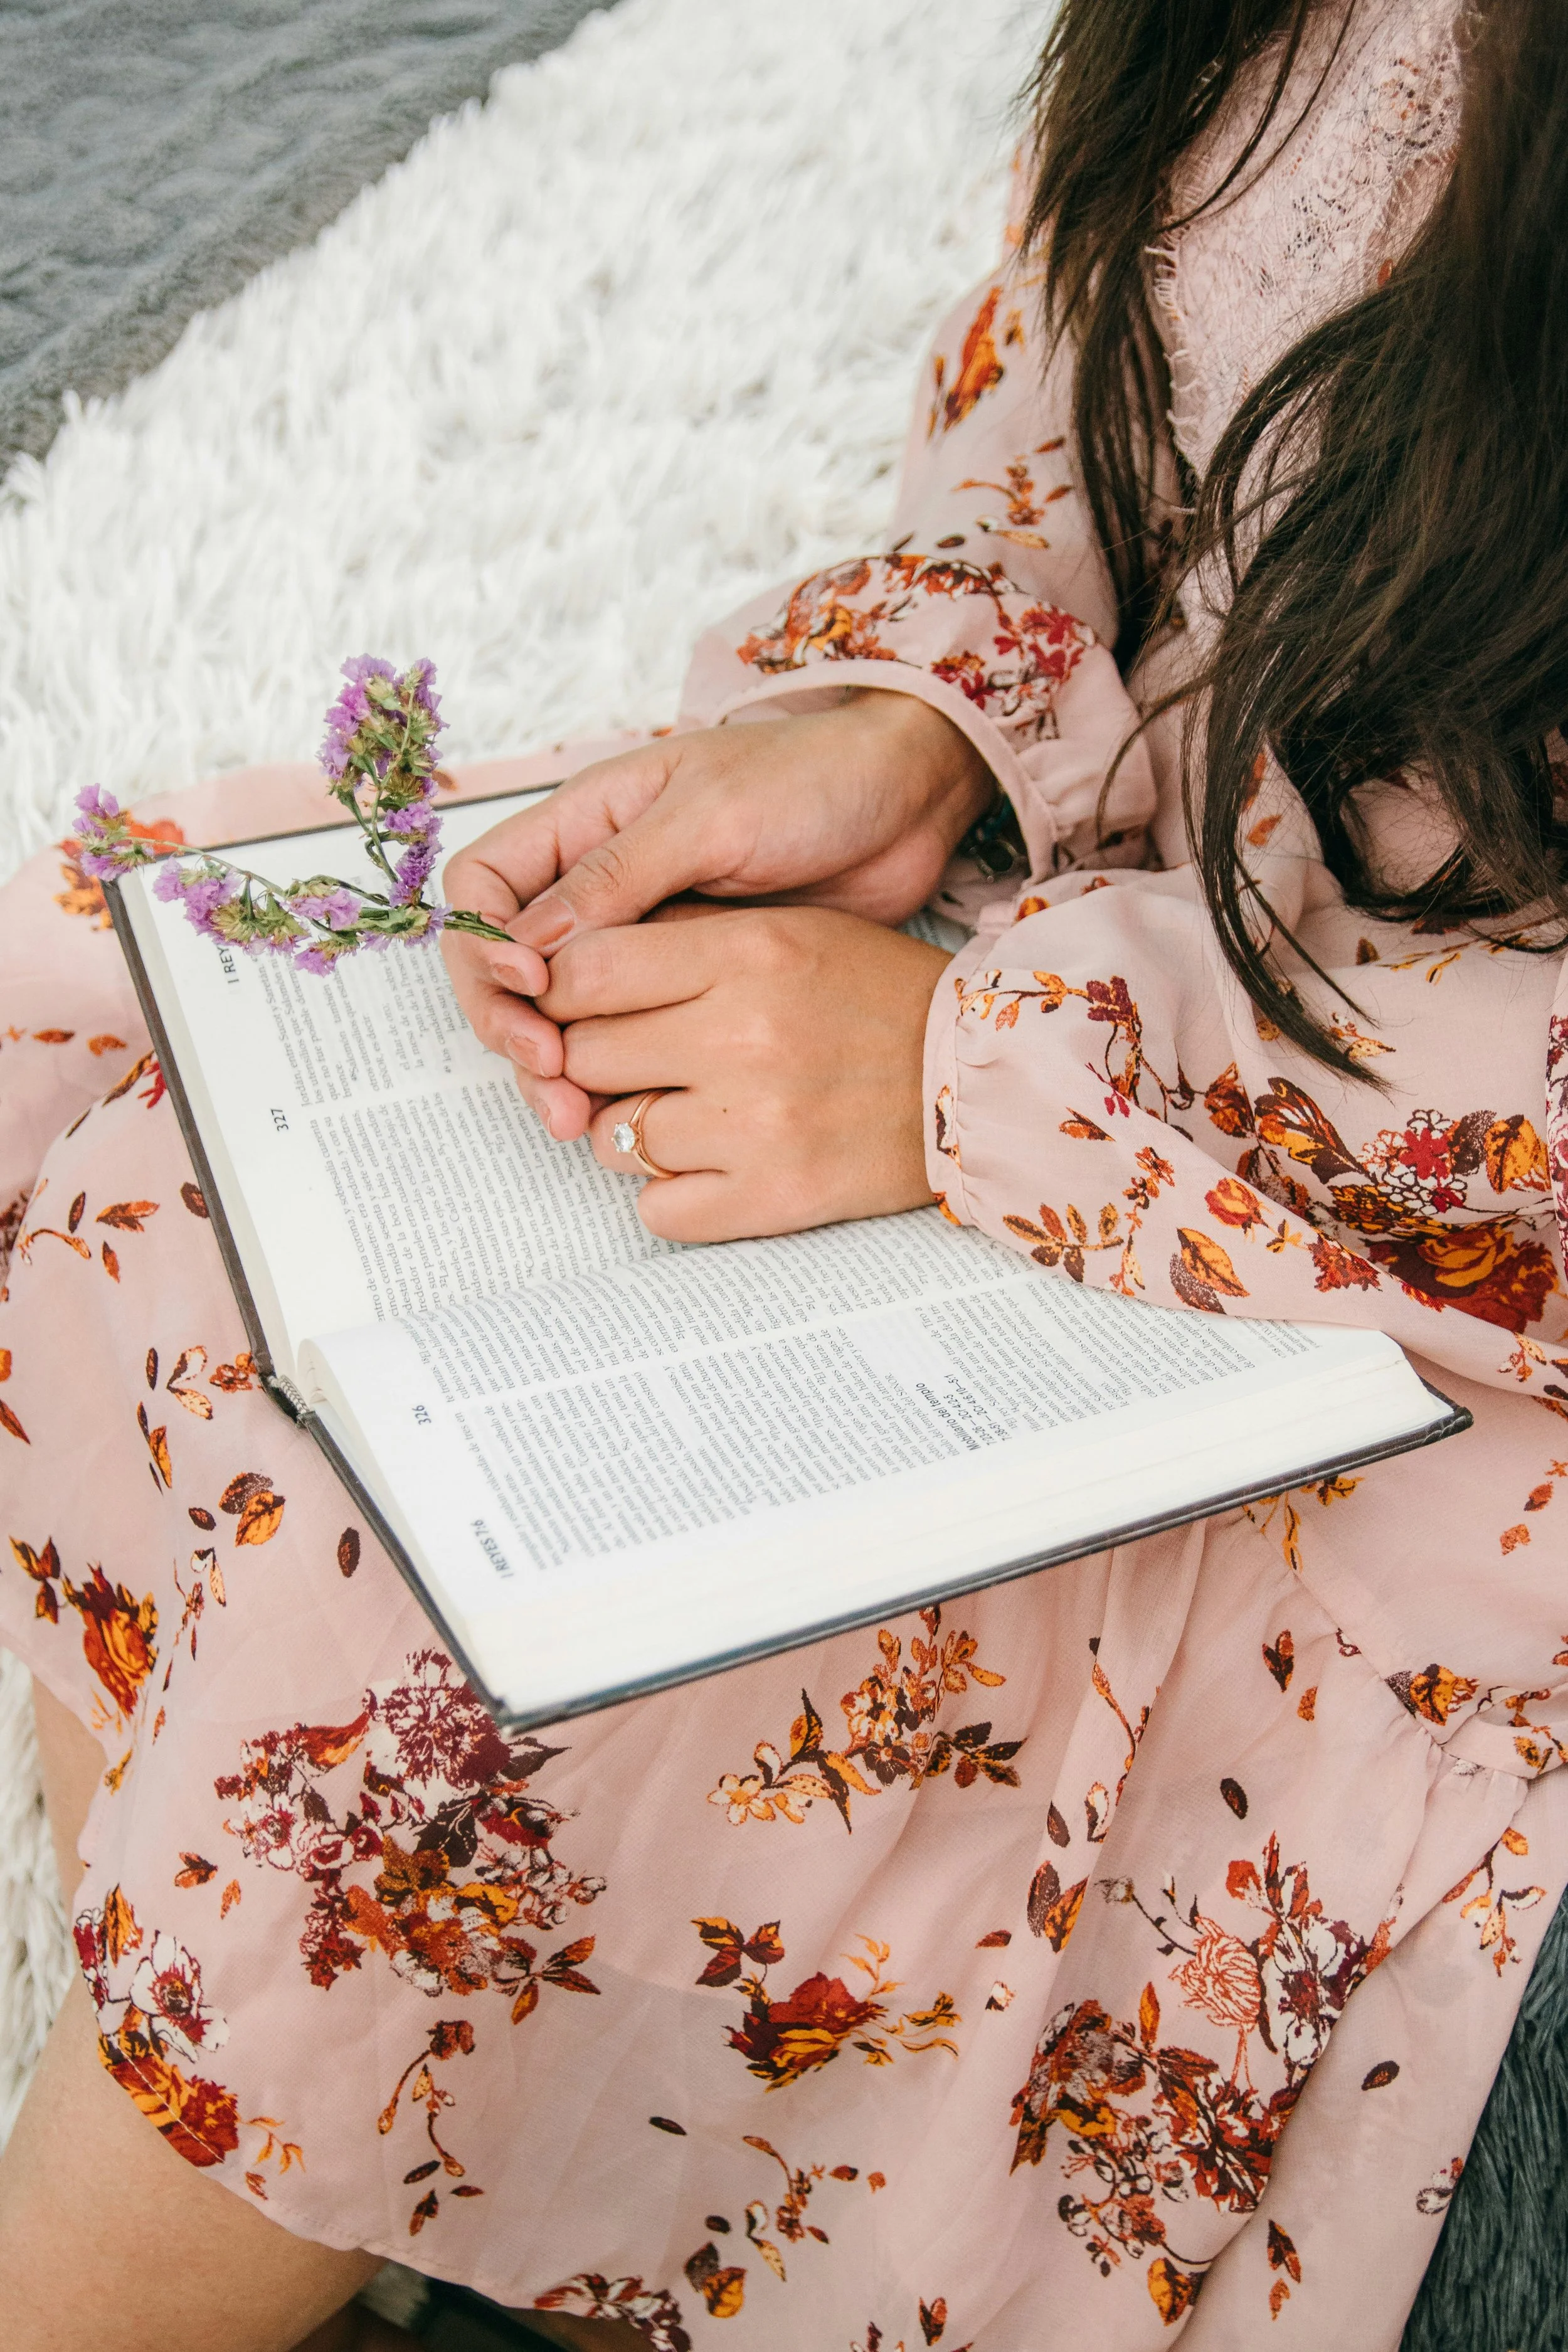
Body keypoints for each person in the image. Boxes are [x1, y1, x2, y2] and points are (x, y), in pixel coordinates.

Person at [2, 0, 1565, 2343]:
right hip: (1134, 903)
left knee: (438, 1647)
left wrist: (977, 1063)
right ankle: (337, 2170)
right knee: (149, 1060)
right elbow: (1095, 366)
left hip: (1400, 1210)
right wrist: (927, 716)